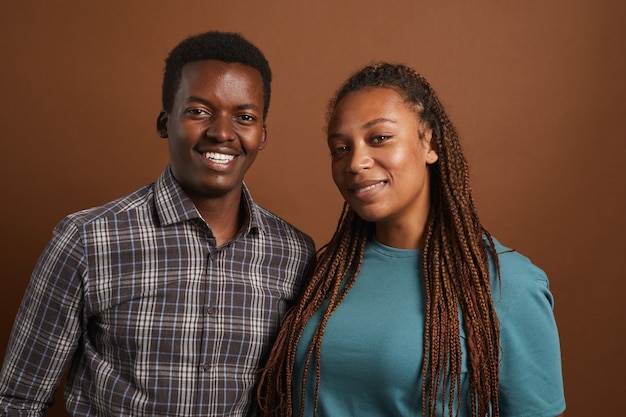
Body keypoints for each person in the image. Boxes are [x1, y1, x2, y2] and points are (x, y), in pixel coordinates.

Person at [0, 31, 315, 416]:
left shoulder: (294, 253)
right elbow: (18, 400)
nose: (221, 132)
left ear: (261, 135)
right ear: (165, 122)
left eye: (244, 117)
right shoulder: (87, 239)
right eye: (199, 111)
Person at [258, 62, 565, 417]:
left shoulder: (506, 284)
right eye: (340, 148)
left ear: (429, 142)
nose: (356, 162)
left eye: (380, 138)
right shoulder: (324, 274)